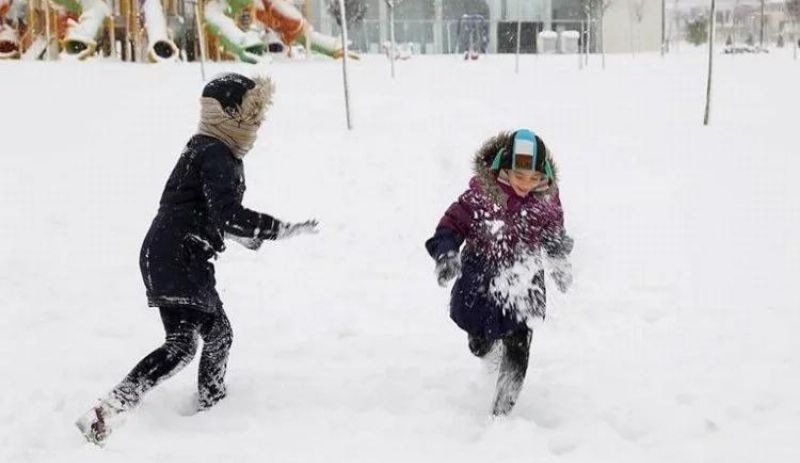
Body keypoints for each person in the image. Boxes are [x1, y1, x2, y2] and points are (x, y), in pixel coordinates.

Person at [76, 73, 318, 445]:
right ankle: (110, 409)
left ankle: (211, 403)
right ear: (232, 115)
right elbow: (227, 213)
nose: (257, 126)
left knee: (216, 335)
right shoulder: (214, 152)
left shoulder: (211, 149)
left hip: (173, 253)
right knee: (184, 345)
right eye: (252, 116)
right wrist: (276, 229)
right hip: (179, 255)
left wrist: (239, 235)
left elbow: (207, 210)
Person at [424, 129, 573, 416]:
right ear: (504, 168)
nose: (526, 184)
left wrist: (559, 262)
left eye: (535, 178)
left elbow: (553, 234)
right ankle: (486, 344)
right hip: (481, 268)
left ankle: (502, 412)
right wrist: (446, 252)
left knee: (518, 336)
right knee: (477, 336)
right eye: (519, 176)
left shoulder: (547, 200)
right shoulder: (481, 194)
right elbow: (452, 224)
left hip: (523, 272)